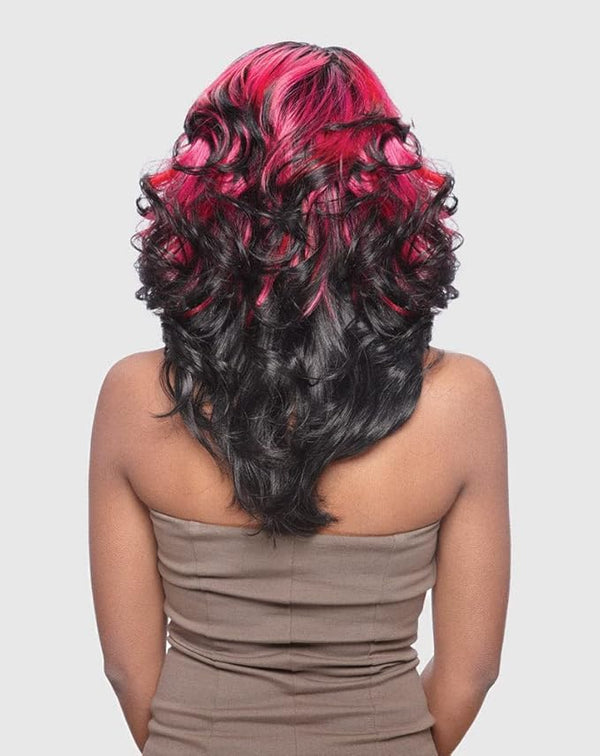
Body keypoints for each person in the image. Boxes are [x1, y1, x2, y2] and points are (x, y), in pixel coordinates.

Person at [89, 41, 510, 756]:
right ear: (386, 199)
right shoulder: (461, 401)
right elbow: (472, 674)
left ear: (207, 199)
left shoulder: (136, 397)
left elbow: (129, 673)